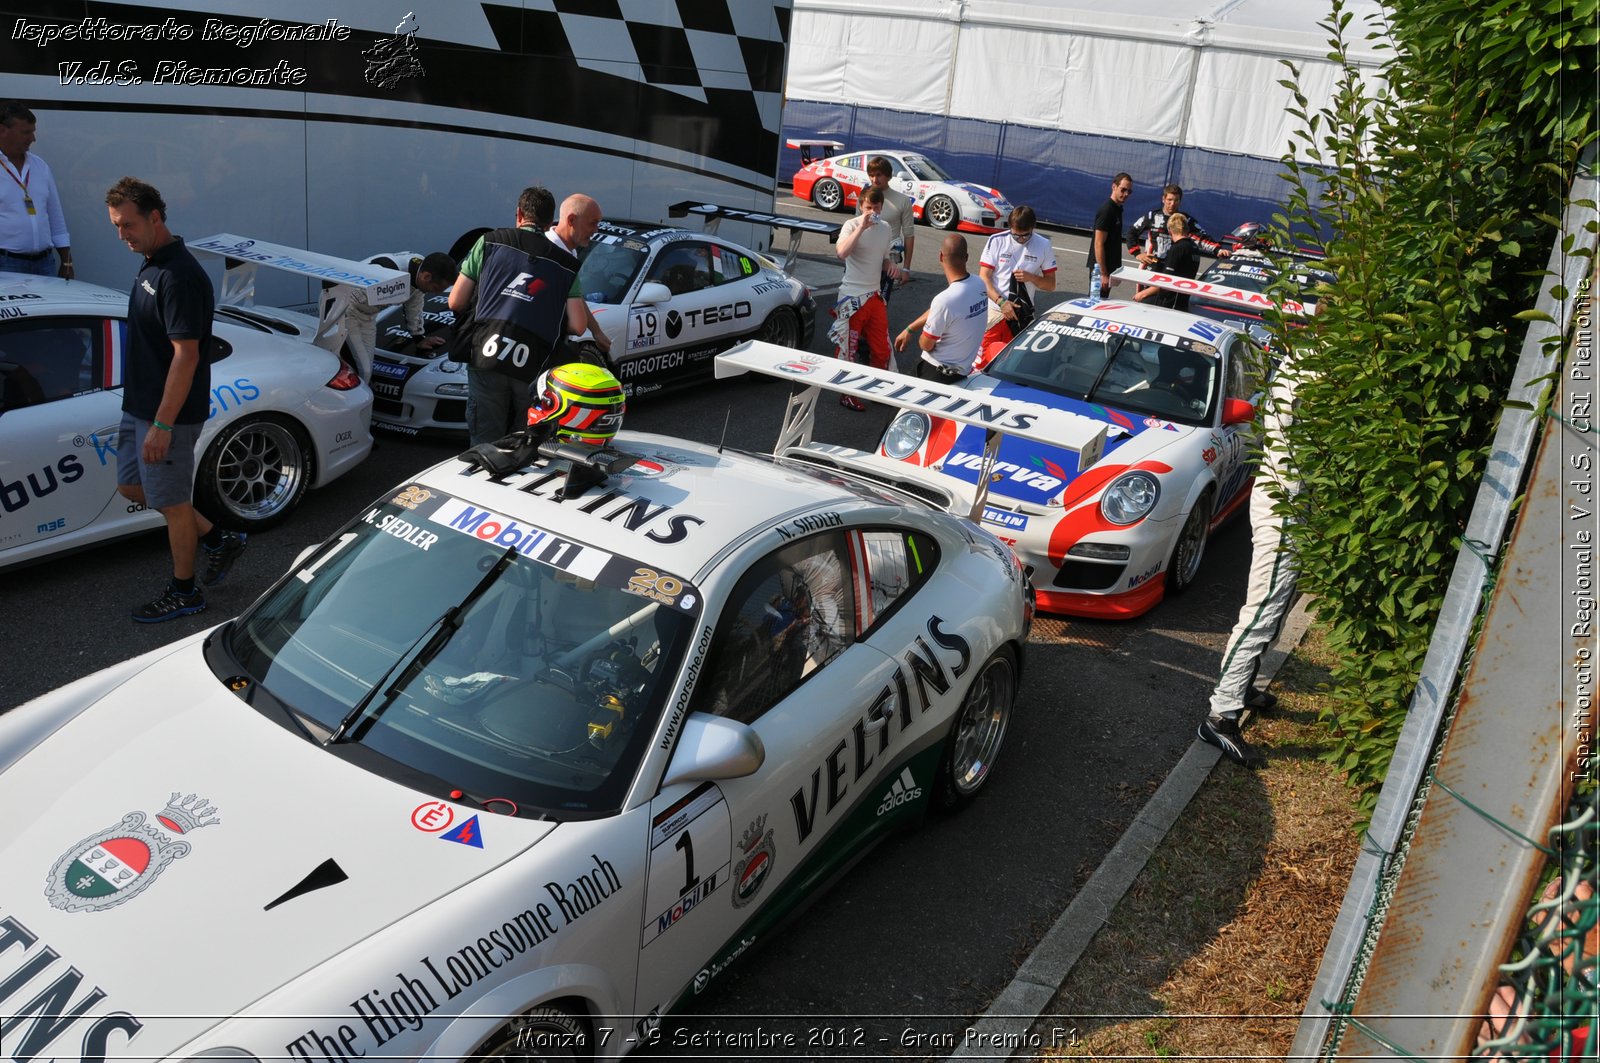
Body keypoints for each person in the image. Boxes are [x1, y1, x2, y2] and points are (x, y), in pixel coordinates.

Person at [105, 177, 247, 622]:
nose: (122, 235)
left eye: (128, 225)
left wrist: (163, 425)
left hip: (168, 414)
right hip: (140, 405)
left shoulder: (180, 275)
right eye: (115, 226)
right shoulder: (151, 261)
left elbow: (187, 356)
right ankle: (217, 538)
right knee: (134, 486)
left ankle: (185, 592)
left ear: (155, 217)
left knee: (171, 502)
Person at [1197, 352, 1304, 767]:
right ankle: (1221, 715)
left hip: (1282, 496)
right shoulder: (1319, 375)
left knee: (1274, 604)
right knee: (1265, 608)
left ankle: (1240, 689)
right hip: (1286, 505)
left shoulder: (1300, 361)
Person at [449, 189, 610, 445]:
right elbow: (578, 327)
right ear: (550, 222)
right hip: (533, 365)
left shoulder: (489, 241)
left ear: (519, 214)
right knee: (523, 443)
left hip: (485, 356)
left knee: (484, 443)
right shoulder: (566, 264)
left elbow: (456, 301)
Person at [324, 250, 457, 383]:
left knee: (366, 371)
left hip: (369, 316)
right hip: (345, 310)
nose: (434, 293)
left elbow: (414, 305)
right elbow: (331, 280)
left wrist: (419, 338)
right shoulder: (390, 271)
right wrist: (332, 319)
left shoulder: (421, 271)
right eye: (434, 288)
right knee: (362, 371)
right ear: (426, 277)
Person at [829, 186, 907, 410]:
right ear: (860, 206)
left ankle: (876, 387)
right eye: (868, 208)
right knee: (849, 348)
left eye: (877, 208)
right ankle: (846, 393)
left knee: (882, 347)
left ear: (882, 208)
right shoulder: (851, 225)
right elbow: (841, 253)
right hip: (852, 297)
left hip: (873, 295)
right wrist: (861, 227)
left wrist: (890, 264)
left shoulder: (885, 228)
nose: (872, 212)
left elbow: (882, 258)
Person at [895, 234, 987, 380]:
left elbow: (926, 345)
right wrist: (910, 328)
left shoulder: (945, 300)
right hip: (962, 372)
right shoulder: (979, 284)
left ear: (940, 256)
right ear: (967, 257)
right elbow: (943, 311)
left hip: (935, 372)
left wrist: (921, 338)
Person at [0, 102, 72, 279]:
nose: (33, 138)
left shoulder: (40, 166)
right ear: (3, 130)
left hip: (45, 263)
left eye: (33, 131)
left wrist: (67, 261)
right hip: (6, 264)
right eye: (26, 132)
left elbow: (56, 217)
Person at [979, 204, 1056, 345]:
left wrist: (1032, 277)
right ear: (1010, 227)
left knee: (1011, 363)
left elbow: (1051, 285)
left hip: (1023, 314)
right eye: (1015, 235)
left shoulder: (1043, 245)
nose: (1020, 239)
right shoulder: (996, 240)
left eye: (1025, 235)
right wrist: (1001, 302)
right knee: (983, 357)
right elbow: (983, 277)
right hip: (995, 311)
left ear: (1033, 228)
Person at [1127, 184, 1229, 272]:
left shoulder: (1185, 220)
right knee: (1142, 295)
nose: (1172, 204)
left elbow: (1202, 237)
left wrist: (1218, 250)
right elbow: (1132, 232)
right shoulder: (1151, 216)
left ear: (1180, 201)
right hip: (1150, 266)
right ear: (1163, 199)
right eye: (1169, 200)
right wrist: (1137, 254)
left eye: (1176, 200)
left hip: (1172, 267)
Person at [865, 156, 915, 303]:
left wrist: (906, 269)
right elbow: (856, 228)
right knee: (859, 305)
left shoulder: (903, 201)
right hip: (864, 259)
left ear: (888, 176)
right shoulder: (864, 199)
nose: (875, 179)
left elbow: (909, 235)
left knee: (880, 304)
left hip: (888, 262)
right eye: (872, 175)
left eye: (879, 175)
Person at [1134, 213, 1201, 309]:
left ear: (1170, 231)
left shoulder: (1177, 248)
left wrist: (1143, 294)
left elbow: (1166, 281)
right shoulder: (1194, 248)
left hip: (1170, 302)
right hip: (1183, 300)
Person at [1086, 173, 1132, 300]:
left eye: (1129, 191)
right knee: (1095, 303)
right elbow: (1098, 244)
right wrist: (1103, 273)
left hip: (1108, 269)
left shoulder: (1117, 209)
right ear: (1114, 187)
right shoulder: (1107, 210)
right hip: (1100, 270)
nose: (1126, 194)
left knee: (1102, 301)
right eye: (1123, 190)